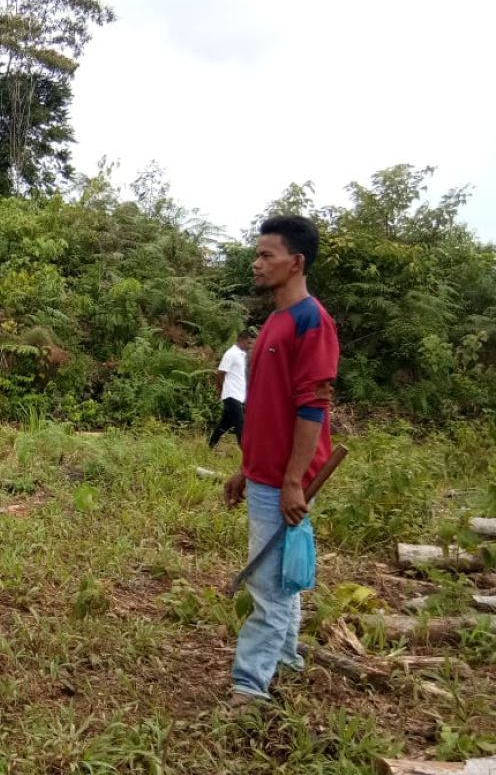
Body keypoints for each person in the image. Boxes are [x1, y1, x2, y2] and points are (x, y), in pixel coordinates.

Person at [223, 215, 339, 705]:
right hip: (268, 475)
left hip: (288, 482)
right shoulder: (274, 321)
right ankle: (287, 659)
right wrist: (246, 468)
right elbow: (269, 408)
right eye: (258, 252)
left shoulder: (313, 322)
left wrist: (293, 480)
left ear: (296, 263)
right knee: (284, 579)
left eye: (267, 254)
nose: (257, 262)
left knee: (268, 588)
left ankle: (250, 687)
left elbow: (313, 407)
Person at [209, 329, 254, 449]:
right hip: (231, 395)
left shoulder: (242, 355)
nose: (249, 346)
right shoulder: (231, 353)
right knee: (241, 425)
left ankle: (211, 445)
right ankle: (246, 454)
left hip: (239, 396)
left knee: (224, 424)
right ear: (241, 340)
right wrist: (220, 390)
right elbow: (220, 373)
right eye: (248, 343)